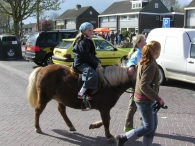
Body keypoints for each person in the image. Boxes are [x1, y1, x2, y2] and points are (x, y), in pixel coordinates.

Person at [116, 41, 165, 146]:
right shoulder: (150, 64)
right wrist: (158, 98)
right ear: (156, 52)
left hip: (145, 98)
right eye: (160, 51)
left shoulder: (144, 61)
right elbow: (144, 85)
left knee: (152, 126)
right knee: (148, 126)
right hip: (145, 100)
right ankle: (123, 138)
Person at [72, 22, 101, 100]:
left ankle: (88, 91)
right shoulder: (83, 42)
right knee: (92, 74)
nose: (91, 32)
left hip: (85, 62)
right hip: (81, 63)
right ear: (83, 31)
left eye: (92, 30)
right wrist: (95, 63)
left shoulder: (88, 40)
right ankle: (81, 93)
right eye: (89, 30)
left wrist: (97, 61)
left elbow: (91, 55)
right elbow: (86, 56)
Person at [124, 34, 146, 132]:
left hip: (142, 84)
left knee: (143, 104)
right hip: (137, 84)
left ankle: (144, 125)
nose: (145, 42)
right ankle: (129, 126)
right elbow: (131, 62)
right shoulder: (137, 54)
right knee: (134, 105)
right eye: (144, 41)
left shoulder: (143, 52)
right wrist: (132, 66)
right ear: (138, 43)